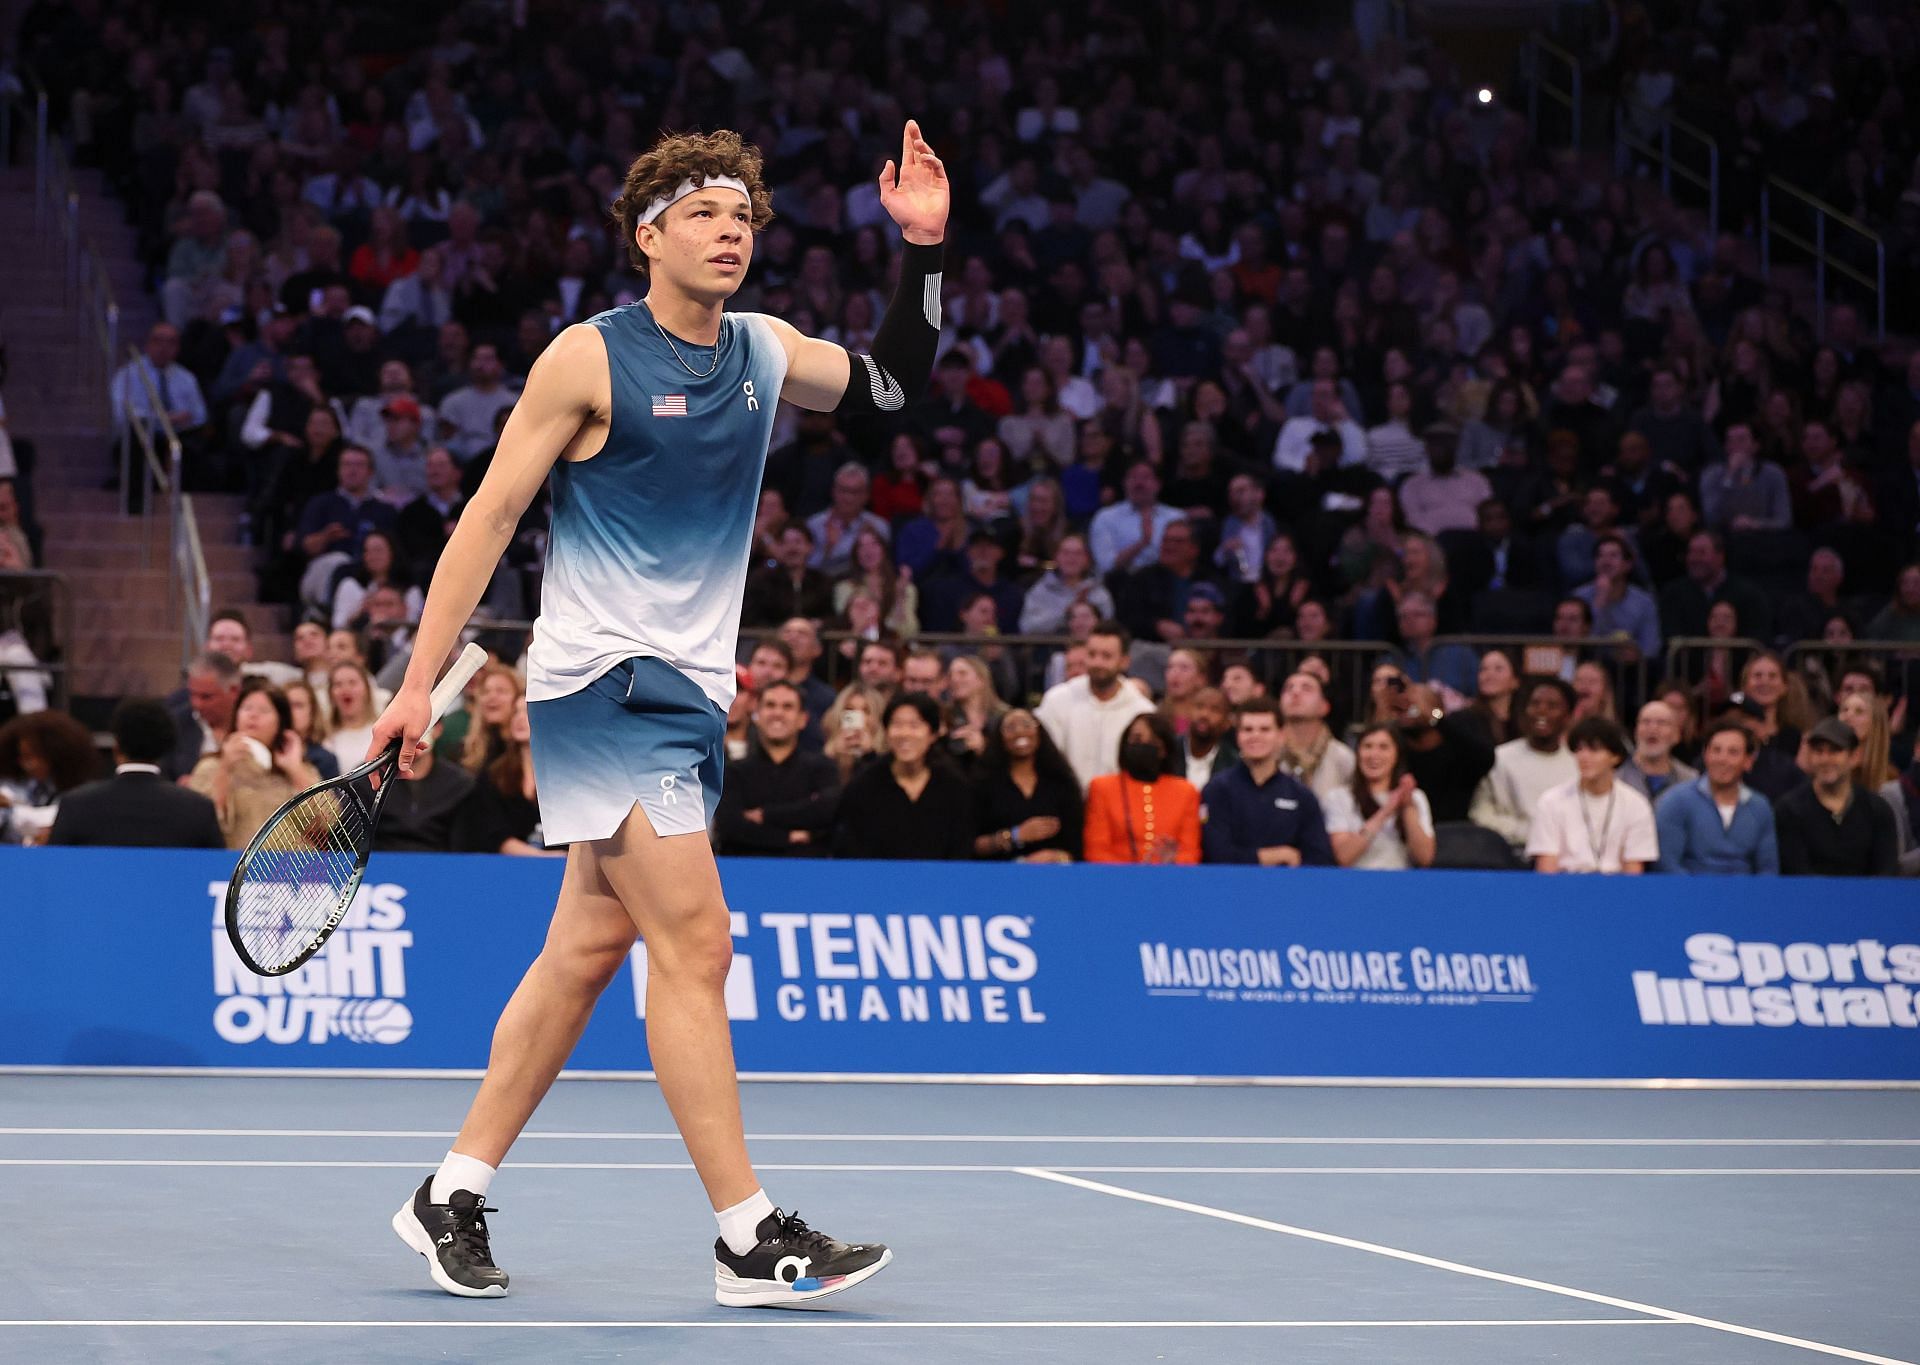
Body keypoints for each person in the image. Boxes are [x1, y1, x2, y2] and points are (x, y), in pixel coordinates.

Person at [363, 124, 945, 1303]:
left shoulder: (765, 351)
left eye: (743, 218)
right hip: (602, 686)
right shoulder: (587, 360)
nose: (731, 232)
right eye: (705, 215)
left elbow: (889, 393)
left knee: (583, 951)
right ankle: (746, 1234)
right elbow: (485, 521)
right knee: (698, 945)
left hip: (688, 697)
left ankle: (450, 1195)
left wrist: (924, 250)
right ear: (649, 236)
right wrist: (415, 681)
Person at [48, 698, 225, 849]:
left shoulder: (75, 805)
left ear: (116, 747)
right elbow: (220, 877)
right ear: (165, 747)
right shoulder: (199, 809)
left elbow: (53, 870)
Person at [831, 692, 974, 859]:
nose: (904, 733)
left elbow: (961, 848)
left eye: (915, 725)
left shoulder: (954, 787)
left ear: (933, 734)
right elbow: (849, 847)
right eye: (897, 725)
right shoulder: (864, 785)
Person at [1199, 698, 1335, 866]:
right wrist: (1277, 855)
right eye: (1248, 729)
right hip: (1229, 888)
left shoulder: (1301, 796)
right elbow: (1215, 855)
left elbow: (1320, 859)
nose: (1256, 736)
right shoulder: (1217, 790)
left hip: (1286, 889)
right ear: (1237, 736)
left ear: (1281, 735)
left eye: (1265, 729)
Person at [186, 681, 321, 849]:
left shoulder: (297, 767)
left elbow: (327, 821)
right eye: (247, 708)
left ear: (281, 721)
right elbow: (197, 823)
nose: (253, 715)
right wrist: (225, 770)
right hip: (234, 867)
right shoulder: (211, 766)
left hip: (297, 867)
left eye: (264, 710)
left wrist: (295, 769)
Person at [713, 681, 840, 856]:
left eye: (787, 707)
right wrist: (789, 836)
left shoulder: (823, 768)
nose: (778, 713)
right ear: (756, 714)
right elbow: (730, 826)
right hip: (743, 871)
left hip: (810, 871)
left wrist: (766, 815)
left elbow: (828, 814)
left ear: (803, 719)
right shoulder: (734, 772)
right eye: (770, 705)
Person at [1034, 620, 1157, 791]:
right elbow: (1042, 761)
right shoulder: (1057, 700)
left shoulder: (1142, 711)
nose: (1097, 663)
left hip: (1121, 809)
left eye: (1106, 656)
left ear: (1124, 661)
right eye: (1092, 654)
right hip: (1066, 805)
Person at [1527, 717, 1658, 874]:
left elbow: (1633, 871)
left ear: (1615, 756)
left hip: (1616, 888)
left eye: (1594, 750)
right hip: (1565, 887)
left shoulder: (1636, 804)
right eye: (1580, 749)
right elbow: (1546, 870)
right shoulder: (1551, 801)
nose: (1584, 757)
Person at [1774, 718, 1899, 877]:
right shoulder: (1789, 810)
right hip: (1809, 899)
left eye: (1834, 751)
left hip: (1867, 900)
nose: (1825, 759)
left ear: (1854, 757)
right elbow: (1796, 873)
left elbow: (1886, 873)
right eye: (1819, 751)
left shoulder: (1878, 810)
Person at [1469, 676, 1579, 857]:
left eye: (1552, 706)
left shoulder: (1577, 765)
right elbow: (1480, 814)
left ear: (1567, 717)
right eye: (1535, 704)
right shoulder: (1499, 758)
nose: (1541, 711)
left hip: (1566, 858)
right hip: (1510, 855)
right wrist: (1526, 832)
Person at [1654, 722, 1781, 875]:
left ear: (1748, 761)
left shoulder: (1760, 807)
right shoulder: (1676, 801)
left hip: (1745, 896)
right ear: (1705, 755)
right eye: (1716, 750)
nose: (1722, 759)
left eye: (1733, 752)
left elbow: (1768, 870)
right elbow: (1667, 865)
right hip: (1690, 894)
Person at [1083, 712, 1202, 864]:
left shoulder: (1186, 792)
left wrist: (1172, 861)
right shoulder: (1102, 787)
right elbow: (1096, 851)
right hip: (1115, 881)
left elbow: (1191, 852)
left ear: (1164, 749)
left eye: (1152, 741)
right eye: (1136, 738)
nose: (1143, 744)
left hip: (1169, 880)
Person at [972, 708, 1084, 862]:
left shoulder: (1061, 783)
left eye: (1026, 725)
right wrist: (1016, 835)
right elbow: (972, 845)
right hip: (999, 875)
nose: (1019, 732)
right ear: (999, 738)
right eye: (1010, 728)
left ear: (1039, 732)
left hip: (1055, 875)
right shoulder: (983, 784)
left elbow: (1078, 845)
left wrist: (1054, 856)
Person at [1320, 724, 1436, 869]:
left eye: (1383, 747)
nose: (1374, 754)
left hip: (1401, 882)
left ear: (1397, 755)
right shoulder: (1339, 798)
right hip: (1355, 882)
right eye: (1367, 746)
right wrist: (1385, 811)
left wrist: (1407, 807)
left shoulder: (1416, 797)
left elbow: (1425, 858)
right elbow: (1343, 857)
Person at [457, 697, 562, 856]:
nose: (519, 718)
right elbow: (493, 833)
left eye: (528, 711)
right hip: (507, 867)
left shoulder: (568, 774)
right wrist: (544, 857)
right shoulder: (494, 774)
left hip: (565, 867)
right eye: (515, 712)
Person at [1394, 681, 1494, 823]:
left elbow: (1487, 758)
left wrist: (1435, 716)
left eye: (1414, 705)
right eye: (1405, 707)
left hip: (1456, 831)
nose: (1410, 708)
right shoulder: (1397, 749)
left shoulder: (1458, 748)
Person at [374, 723, 480, 853]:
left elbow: (465, 847)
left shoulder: (460, 784)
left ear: (438, 729)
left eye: (422, 728)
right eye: (402, 729)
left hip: (443, 867)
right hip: (377, 866)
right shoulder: (367, 779)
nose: (411, 736)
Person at [0, 710, 99, 844]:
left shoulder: (84, 795)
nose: (27, 765)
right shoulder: (11, 787)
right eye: (21, 758)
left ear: (55, 754)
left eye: (31, 757)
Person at [1275, 670, 1355, 802]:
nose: (1295, 693)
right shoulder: (1269, 754)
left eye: (1307, 688)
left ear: (1324, 706)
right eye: (1288, 688)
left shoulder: (1343, 758)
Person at [1619, 700, 1697, 805]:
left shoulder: (1691, 781)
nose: (1652, 729)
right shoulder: (1615, 778)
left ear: (1676, 735)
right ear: (1636, 732)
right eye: (1646, 722)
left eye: (1661, 723)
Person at [820, 683, 888, 785]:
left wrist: (869, 755)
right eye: (849, 709)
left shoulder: (887, 759)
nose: (858, 717)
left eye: (866, 711)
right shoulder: (824, 754)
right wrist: (832, 756)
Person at [1178, 687, 1238, 789]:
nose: (1204, 714)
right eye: (1199, 707)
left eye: (1214, 710)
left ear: (1227, 722)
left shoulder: (1233, 763)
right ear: (1188, 711)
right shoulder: (1168, 752)